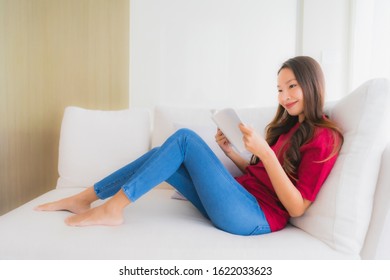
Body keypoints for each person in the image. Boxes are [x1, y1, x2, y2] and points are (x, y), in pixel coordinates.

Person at [36, 56, 343, 236]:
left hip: (254, 216)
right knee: (161, 155)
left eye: (292, 86)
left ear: (312, 85)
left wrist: (264, 151)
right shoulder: (290, 128)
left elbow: (297, 206)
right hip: (240, 198)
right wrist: (233, 154)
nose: (284, 96)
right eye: (279, 89)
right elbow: (264, 176)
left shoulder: (324, 136)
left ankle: (113, 209)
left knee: (184, 138)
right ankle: (85, 197)